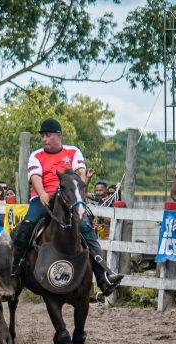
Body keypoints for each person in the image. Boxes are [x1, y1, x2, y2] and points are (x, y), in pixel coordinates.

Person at [11, 117, 123, 296]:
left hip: (69, 200)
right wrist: (42, 194)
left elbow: (80, 173)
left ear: (58, 135)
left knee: (87, 229)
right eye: (42, 136)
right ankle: (14, 274)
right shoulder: (36, 155)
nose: (44, 139)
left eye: (47, 136)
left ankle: (104, 277)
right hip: (43, 199)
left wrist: (83, 179)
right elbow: (35, 177)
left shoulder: (73, 152)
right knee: (26, 227)